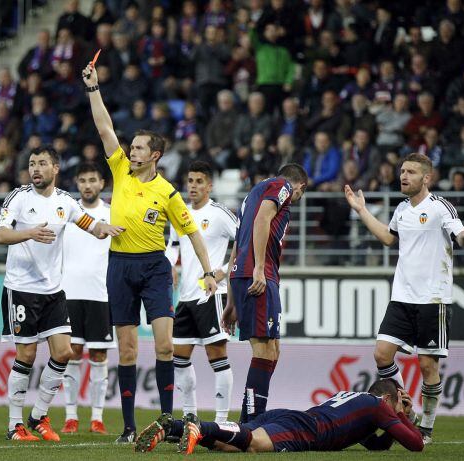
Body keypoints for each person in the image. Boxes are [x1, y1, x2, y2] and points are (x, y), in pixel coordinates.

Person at [83, 61, 218, 443]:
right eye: (132, 147)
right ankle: (128, 428)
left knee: (164, 345)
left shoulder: (168, 193)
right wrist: (93, 89)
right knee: (126, 350)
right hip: (120, 265)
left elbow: (192, 233)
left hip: (155, 268)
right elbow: (104, 127)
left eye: (139, 147)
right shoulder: (120, 170)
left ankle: (167, 422)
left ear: (155, 154)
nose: (132, 151)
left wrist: (209, 272)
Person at [344, 152, 464, 444]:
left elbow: (461, 238)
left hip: (433, 299)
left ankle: (426, 429)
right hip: (402, 297)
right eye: (402, 171)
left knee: (428, 366)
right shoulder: (402, 209)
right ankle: (409, 413)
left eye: (410, 172)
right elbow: (388, 238)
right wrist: (362, 210)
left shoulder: (440, 207)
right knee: (382, 354)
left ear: (426, 178)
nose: (403, 176)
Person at [0, 146, 122, 442]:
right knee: (26, 354)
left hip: (53, 291)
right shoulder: (18, 197)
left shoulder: (66, 202)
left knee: (64, 352)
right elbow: (0, 235)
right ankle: (14, 425)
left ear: (55, 168)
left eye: (42, 163)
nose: (35, 169)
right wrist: (29, 233)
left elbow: (91, 226)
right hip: (21, 289)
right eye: (32, 163)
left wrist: (106, 228)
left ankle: (38, 416)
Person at [222, 163, 309, 424]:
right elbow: (262, 220)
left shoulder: (252, 195)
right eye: (300, 194)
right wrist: (259, 269)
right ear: (301, 186)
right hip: (258, 274)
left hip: (247, 274)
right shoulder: (283, 186)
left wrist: (231, 300)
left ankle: (248, 418)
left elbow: (237, 245)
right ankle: (252, 422)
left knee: (272, 350)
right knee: (262, 350)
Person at [136, 379, 423, 454]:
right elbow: (416, 444)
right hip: (306, 429)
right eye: (397, 404)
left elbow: (376, 445)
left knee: (230, 445)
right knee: (253, 444)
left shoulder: (358, 402)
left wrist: (397, 420)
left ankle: (173, 427)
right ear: (388, 399)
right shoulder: (378, 405)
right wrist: (404, 416)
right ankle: (199, 427)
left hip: (292, 418)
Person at [165, 161, 237, 424]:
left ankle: (221, 420)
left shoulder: (219, 213)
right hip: (185, 296)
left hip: (211, 295)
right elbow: (173, 244)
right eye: (190, 181)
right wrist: (170, 264)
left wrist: (224, 271)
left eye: (199, 181)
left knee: (216, 356)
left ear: (209, 186)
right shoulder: (180, 213)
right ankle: (190, 416)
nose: (193, 186)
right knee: (180, 357)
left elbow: (246, 242)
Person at [60, 163, 115, 435]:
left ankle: (97, 417)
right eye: (82, 180)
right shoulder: (68, 214)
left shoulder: (111, 214)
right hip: (68, 292)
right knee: (71, 354)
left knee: (99, 355)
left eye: (92, 180)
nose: (87, 185)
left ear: (102, 183)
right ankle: (71, 416)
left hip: (100, 294)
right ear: (77, 183)